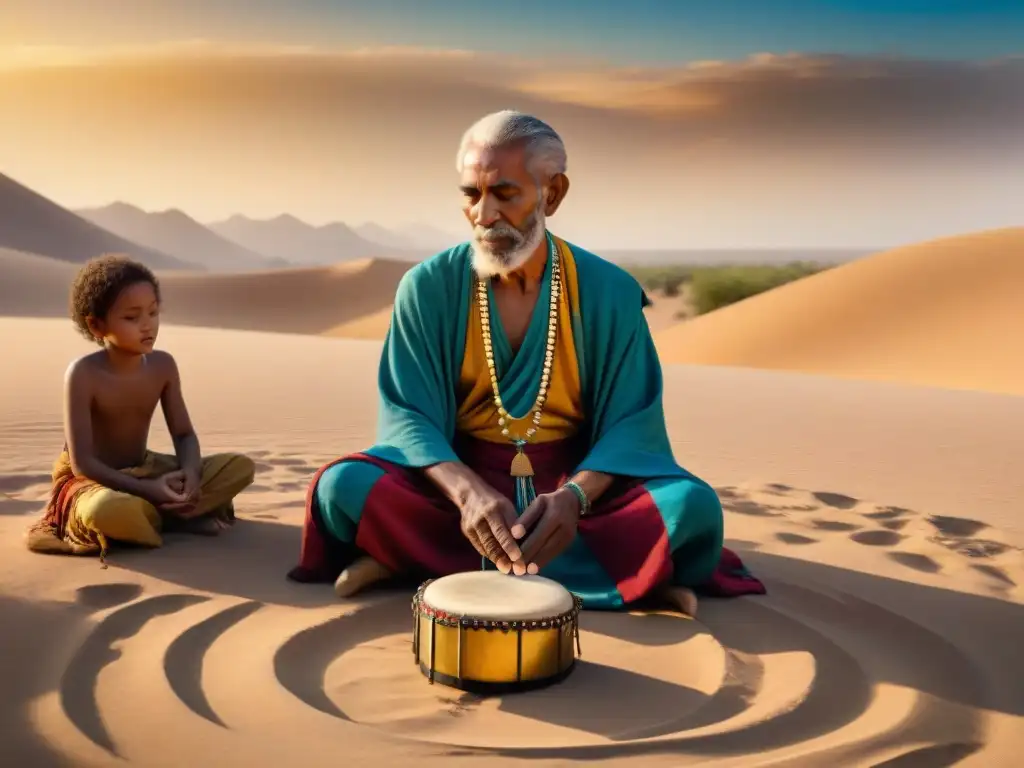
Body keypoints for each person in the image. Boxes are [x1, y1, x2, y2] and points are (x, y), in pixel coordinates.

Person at [288, 110, 764, 614]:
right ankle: (627, 578)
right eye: (471, 195)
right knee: (343, 486)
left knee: (692, 508)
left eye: (505, 194)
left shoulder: (608, 292)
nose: (484, 214)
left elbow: (632, 424)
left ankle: (418, 566)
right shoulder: (426, 288)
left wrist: (574, 499)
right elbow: (408, 415)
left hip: (577, 493)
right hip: (455, 491)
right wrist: (468, 493)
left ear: (552, 194)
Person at [26, 254, 256, 562]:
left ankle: (161, 513)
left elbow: (185, 434)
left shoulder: (163, 365)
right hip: (94, 482)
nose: (147, 325)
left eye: (153, 312)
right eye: (132, 318)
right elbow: (83, 464)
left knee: (239, 467)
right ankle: (171, 517)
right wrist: (150, 490)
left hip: (146, 469)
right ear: (96, 325)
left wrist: (190, 475)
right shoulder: (83, 374)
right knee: (108, 511)